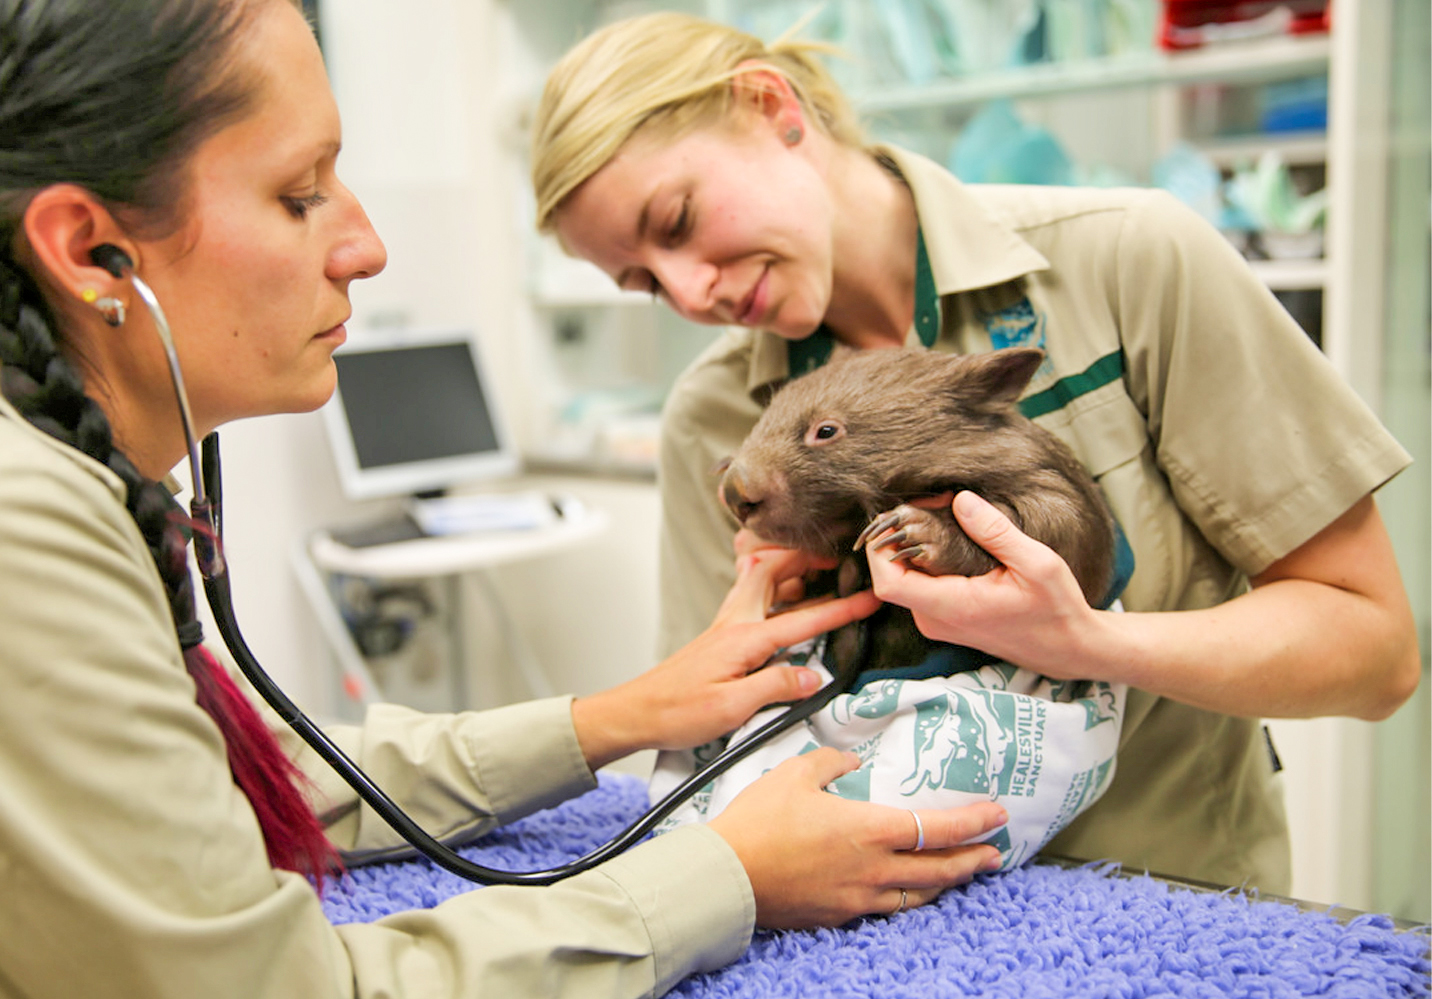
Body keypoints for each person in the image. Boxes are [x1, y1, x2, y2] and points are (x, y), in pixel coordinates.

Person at [0, 2, 1015, 997]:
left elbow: (214, 789)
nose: (367, 246)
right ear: (91, 253)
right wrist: (726, 876)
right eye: (301, 192)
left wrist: (614, 719)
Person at [530, 11, 1421, 897]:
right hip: (879, 920)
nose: (691, 292)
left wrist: (1092, 642)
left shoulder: (1124, 263)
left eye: (677, 220)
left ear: (772, 107)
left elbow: (1375, 652)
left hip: (1170, 897)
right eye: (644, 283)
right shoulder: (714, 415)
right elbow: (718, 717)